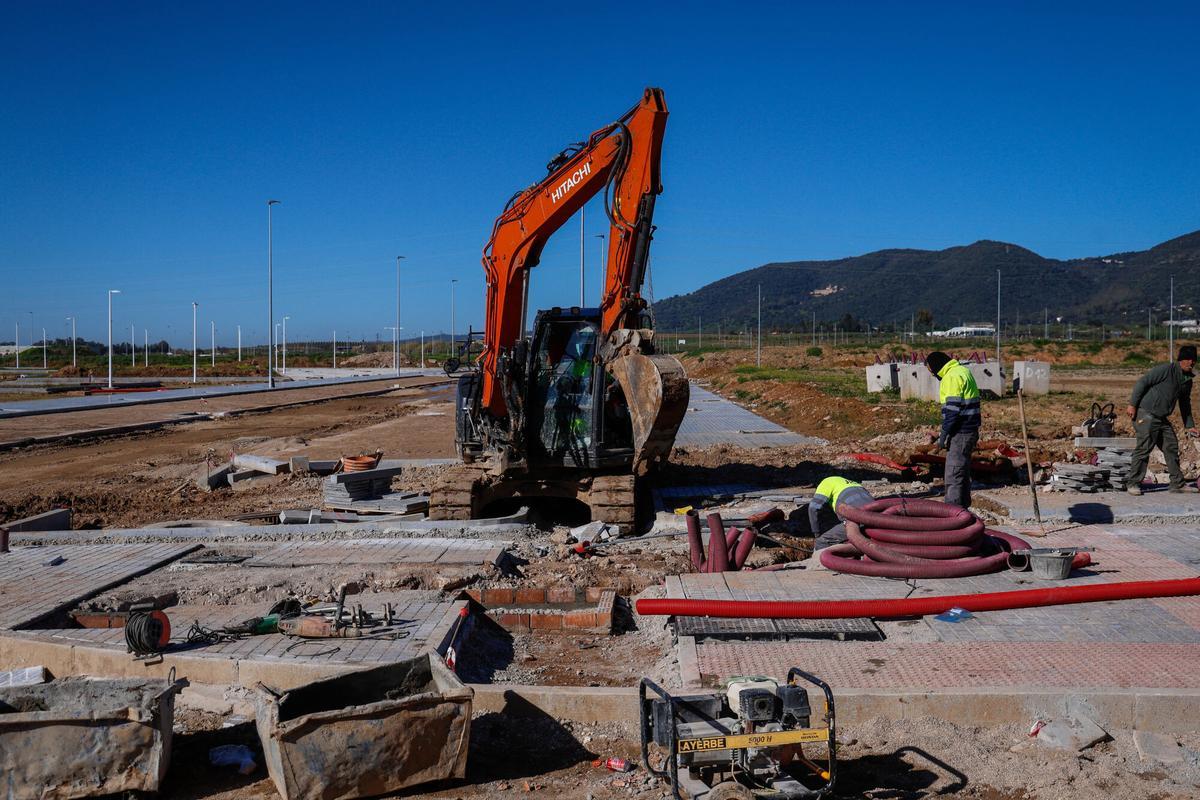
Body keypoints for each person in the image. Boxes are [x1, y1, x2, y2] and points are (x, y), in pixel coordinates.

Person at [1125, 345, 1198, 495]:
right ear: (1181, 360)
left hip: (1161, 417)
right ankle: (1133, 483)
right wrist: (1132, 404)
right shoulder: (1166, 370)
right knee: (1144, 448)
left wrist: (1189, 425)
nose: (1191, 363)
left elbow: (1185, 403)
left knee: (1171, 446)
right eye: (1188, 359)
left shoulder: (1187, 380)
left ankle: (1177, 484)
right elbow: (1142, 382)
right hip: (1146, 413)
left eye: (1193, 360)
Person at [925, 351, 981, 508]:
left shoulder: (951, 377)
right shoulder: (962, 370)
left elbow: (952, 411)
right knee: (962, 472)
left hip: (961, 432)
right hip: (970, 429)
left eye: (931, 370)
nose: (932, 374)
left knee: (953, 475)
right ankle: (963, 511)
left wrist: (943, 436)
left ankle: (953, 514)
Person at [808, 476, 875, 550]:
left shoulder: (826, 482)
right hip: (877, 517)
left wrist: (816, 533)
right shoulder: (853, 483)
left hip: (857, 519)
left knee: (822, 542)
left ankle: (821, 561)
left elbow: (813, 508)